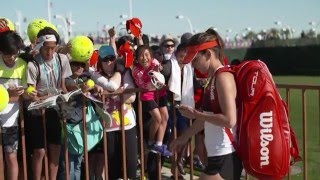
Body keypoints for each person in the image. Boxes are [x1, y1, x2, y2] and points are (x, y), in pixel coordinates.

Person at [170, 28, 243, 180]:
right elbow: (206, 118)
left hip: (226, 156)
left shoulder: (223, 78)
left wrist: (195, 114)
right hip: (219, 156)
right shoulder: (214, 78)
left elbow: (229, 120)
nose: (193, 65)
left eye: (195, 59)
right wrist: (184, 138)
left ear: (208, 54)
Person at [26, 27, 72, 180]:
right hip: (38, 110)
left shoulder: (62, 59)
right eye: (47, 48)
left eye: (53, 48)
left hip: (56, 108)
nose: (50, 52)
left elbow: (63, 86)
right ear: (39, 46)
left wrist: (70, 95)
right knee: (39, 151)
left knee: (56, 148)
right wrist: (38, 96)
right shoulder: (33, 65)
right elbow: (31, 91)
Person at [89, 45, 137, 179]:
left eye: (111, 58)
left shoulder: (125, 72)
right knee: (113, 166)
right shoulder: (96, 75)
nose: (109, 62)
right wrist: (119, 93)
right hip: (109, 126)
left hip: (128, 124)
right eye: (105, 59)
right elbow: (113, 86)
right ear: (100, 61)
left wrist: (109, 94)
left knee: (131, 164)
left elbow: (132, 97)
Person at [132, 45, 172, 157]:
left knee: (165, 117)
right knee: (157, 118)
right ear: (137, 58)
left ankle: (158, 144)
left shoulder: (154, 62)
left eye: (146, 55)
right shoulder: (136, 70)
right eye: (141, 55)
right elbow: (144, 86)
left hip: (160, 93)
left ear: (151, 56)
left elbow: (159, 68)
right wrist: (155, 80)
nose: (144, 58)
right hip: (147, 95)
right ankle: (150, 142)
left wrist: (158, 72)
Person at [0, 30, 26, 180]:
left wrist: (10, 96)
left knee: (11, 158)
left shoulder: (22, 65)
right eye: (8, 54)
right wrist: (10, 95)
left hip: (11, 121)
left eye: (15, 53)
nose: (12, 57)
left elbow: (22, 95)